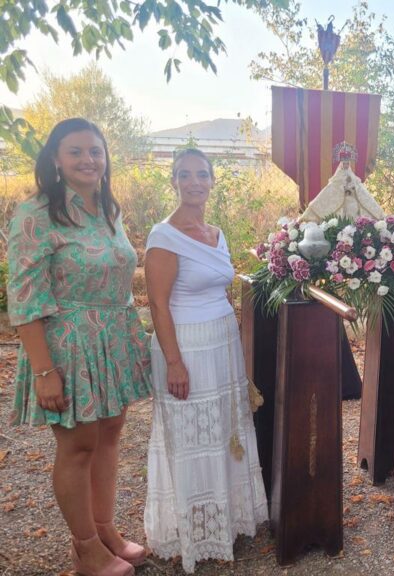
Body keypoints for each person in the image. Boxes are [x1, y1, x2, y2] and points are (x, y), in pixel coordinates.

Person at [7, 118, 150, 576]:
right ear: (56, 159)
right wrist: (45, 370)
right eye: (76, 151)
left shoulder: (110, 209)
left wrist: (131, 340)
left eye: (96, 150)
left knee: (110, 436)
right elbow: (25, 298)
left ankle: (105, 529)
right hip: (66, 344)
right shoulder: (36, 213)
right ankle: (86, 549)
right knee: (79, 447)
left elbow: (121, 276)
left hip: (112, 341)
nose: (88, 159)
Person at [143, 148, 268, 573]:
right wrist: (174, 363)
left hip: (222, 343)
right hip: (186, 346)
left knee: (223, 432)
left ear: (212, 180)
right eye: (185, 175)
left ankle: (227, 520)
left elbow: (223, 287)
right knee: (190, 437)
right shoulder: (163, 236)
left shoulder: (216, 232)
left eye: (202, 174)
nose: (194, 182)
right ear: (174, 181)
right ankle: (193, 532)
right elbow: (158, 306)